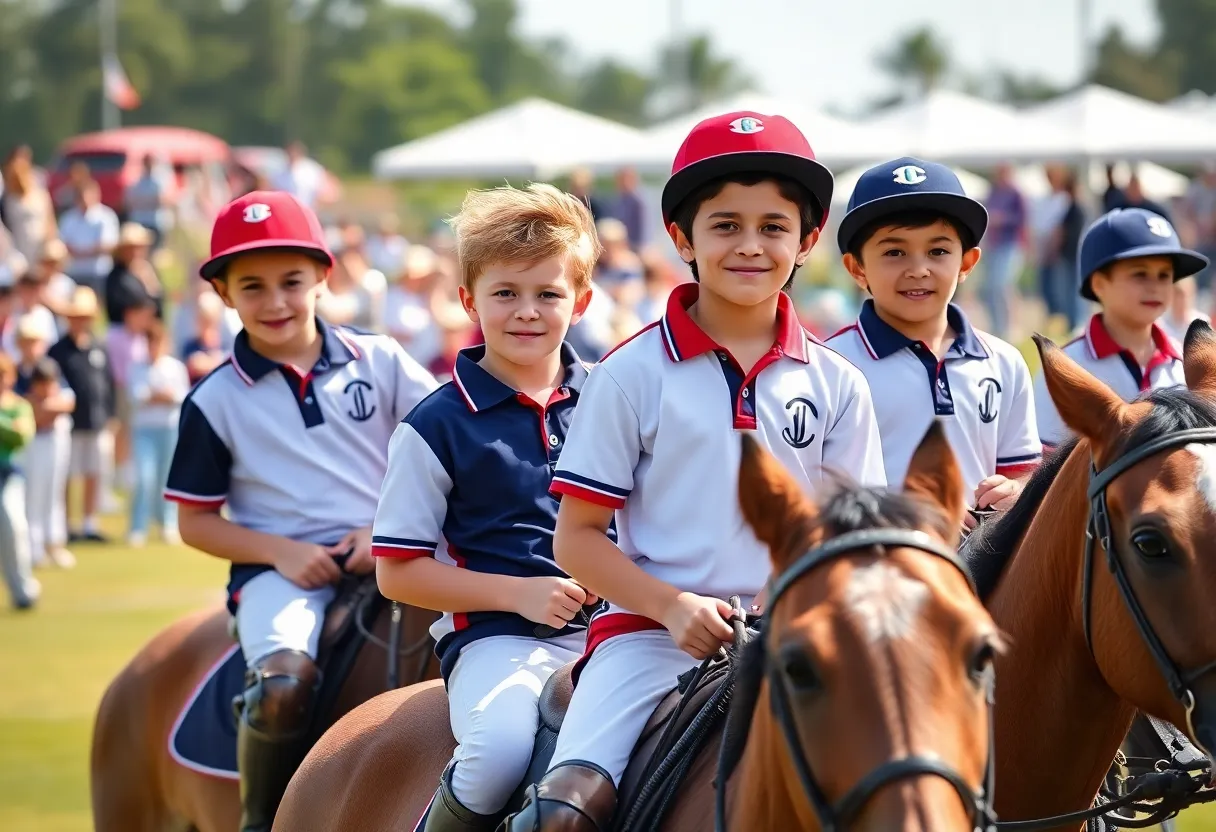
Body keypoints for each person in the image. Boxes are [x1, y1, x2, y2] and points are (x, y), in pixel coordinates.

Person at [502, 111, 887, 830]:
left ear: (807, 242)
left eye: (773, 227)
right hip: (648, 639)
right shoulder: (628, 374)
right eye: (725, 225)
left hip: (803, 639)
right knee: (562, 815)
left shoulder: (840, 384)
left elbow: (853, 543)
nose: (750, 245)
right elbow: (576, 540)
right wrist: (674, 607)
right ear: (682, 238)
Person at [162, 190, 437, 832]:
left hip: (396, 549)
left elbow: (448, 449)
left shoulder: (381, 359)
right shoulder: (213, 399)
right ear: (224, 294)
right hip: (281, 575)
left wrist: (387, 529)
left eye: (291, 281)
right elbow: (194, 523)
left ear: (322, 276)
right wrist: (282, 552)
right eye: (252, 287)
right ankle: (262, 821)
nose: (276, 301)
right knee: (282, 684)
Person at [373, 183, 605, 830]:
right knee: (498, 753)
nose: (527, 312)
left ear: (581, 301)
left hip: (623, 630)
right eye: (505, 293)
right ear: (469, 300)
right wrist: (520, 595)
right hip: (498, 641)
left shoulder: (617, 400)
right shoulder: (434, 425)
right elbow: (396, 572)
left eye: (548, 294)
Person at [826, 158, 1041, 525]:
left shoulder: (1003, 362)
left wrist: (1016, 491)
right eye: (894, 252)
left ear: (967, 263)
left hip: (986, 556)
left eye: (938, 251)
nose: (918, 269)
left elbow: (1022, 470)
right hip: (878, 555)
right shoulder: (831, 366)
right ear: (857, 268)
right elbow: (821, 492)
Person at [1035, 207, 1209, 447]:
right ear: (1099, 284)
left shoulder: (1185, 364)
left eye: (1164, 275)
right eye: (1140, 274)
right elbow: (1044, 462)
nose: (1155, 287)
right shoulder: (1067, 367)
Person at [47, 286, 115, 543]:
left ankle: (89, 522)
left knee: (94, 472)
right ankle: (67, 523)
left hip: (97, 421)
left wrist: (110, 415)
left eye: (84, 317)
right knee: (68, 475)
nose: (80, 321)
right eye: (76, 317)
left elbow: (107, 384)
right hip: (70, 422)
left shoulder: (98, 346)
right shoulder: (58, 350)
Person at [15, 320, 75, 569]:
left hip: (55, 439)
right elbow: (26, 408)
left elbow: (67, 401)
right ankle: (34, 547)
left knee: (54, 492)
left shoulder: (50, 365)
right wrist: (40, 408)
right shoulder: (17, 372)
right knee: (33, 495)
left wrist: (44, 406)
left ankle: (54, 544)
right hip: (32, 443)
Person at [127, 320, 189, 546]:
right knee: (145, 478)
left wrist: (157, 396)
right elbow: (138, 397)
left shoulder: (175, 368)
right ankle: (138, 526)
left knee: (167, 479)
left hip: (169, 429)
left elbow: (180, 396)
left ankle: (167, 523)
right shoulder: (137, 367)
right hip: (144, 429)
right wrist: (160, 396)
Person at [0, 352, 37, 610]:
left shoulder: (18, 406)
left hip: (8, 473)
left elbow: (21, 436)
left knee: (13, 525)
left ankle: (23, 590)